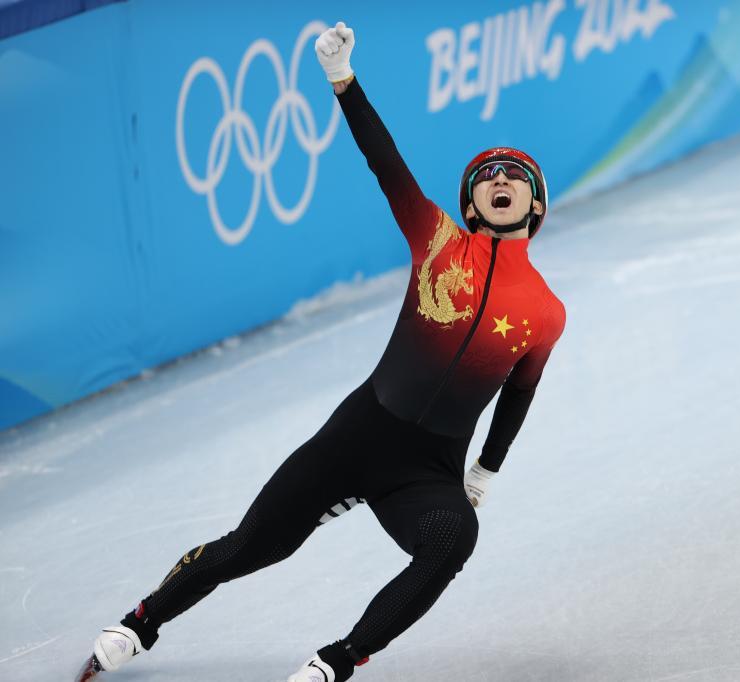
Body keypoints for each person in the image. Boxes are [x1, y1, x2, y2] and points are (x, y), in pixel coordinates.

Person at [76, 20, 566, 682]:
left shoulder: (545, 311)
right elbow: (385, 162)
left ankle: (338, 660)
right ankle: (141, 622)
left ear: (534, 205)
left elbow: (519, 394)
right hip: (357, 437)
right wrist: (343, 80)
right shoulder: (436, 240)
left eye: (515, 175)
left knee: (453, 541)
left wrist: (485, 471)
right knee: (252, 547)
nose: (499, 179)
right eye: (486, 175)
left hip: (427, 471)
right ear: (472, 206)